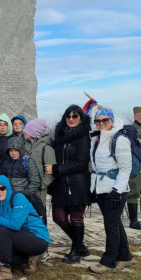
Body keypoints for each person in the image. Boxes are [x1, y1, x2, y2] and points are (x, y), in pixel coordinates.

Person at [0, 175, 50, 280]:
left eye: (2, 188)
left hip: (38, 240)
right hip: (21, 240)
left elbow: (15, 225)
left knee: (4, 230)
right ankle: (29, 259)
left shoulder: (18, 198)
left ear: (7, 187)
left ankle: (4, 271)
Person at [88, 109, 135, 273]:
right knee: (115, 222)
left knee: (110, 225)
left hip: (115, 189)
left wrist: (117, 190)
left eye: (105, 120)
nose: (101, 123)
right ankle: (125, 256)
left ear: (112, 121)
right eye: (98, 121)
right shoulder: (96, 139)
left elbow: (125, 168)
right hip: (101, 188)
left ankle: (108, 261)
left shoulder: (120, 139)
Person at [46, 105, 92, 264]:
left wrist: (57, 169)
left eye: (75, 116)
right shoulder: (59, 136)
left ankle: (75, 251)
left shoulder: (84, 137)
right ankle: (80, 246)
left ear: (81, 118)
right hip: (60, 184)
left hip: (78, 184)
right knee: (58, 218)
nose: (71, 119)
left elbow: (81, 163)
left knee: (76, 218)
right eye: (68, 116)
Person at [23, 119, 56, 212]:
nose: (23, 131)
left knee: (37, 217)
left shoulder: (46, 148)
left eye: (26, 130)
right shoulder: (24, 147)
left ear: (33, 132)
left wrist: (40, 185)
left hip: (38, 191)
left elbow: (50, 172)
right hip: (24, 189)